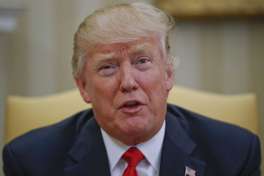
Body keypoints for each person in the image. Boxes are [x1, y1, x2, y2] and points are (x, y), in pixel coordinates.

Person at [2, 2, 261, 176]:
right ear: (83, 86)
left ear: (168, 74)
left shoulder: (233, 153)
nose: (128, 82)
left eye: (142, 62)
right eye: (108, 67)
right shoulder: (31, 161)